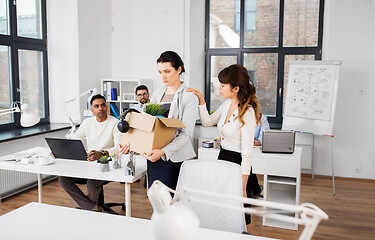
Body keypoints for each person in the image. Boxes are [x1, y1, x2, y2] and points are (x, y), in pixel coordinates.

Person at [187, 64, 262, 229]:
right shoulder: (226, 105)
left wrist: (243, 186)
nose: (219, 88)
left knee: (237, 213)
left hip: (237, 163)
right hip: (223, 159)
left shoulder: (247, 112)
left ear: (235, 88)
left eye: (223, 85)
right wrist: (201, 100)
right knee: (221, 210)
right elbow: (207, 122)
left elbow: (247, 153)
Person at [120, 51, 198, 191]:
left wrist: (162, 152)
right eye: (160, 72)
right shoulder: (157, 95)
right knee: (156, 199)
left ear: (179, 69)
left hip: (174, 158)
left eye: (167, 71)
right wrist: (131, 145)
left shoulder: (189, 97)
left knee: (172, 202)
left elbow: (186, 134)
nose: (163, 76)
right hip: (153, 158)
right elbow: (144, 126)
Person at [59, 94, 122, 211]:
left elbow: (119, 148)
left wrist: (102, 153)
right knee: (64, 179)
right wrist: (59, 151)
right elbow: (74, 140)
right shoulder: (87, 123)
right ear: (91, 109)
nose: (100, 108)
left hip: (107, 165)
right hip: (89, 164)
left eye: (103, 105)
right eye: (96, 106)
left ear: (106, 107)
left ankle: (90, 209)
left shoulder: (115, 123)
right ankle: (93, 208)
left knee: (93, 182)